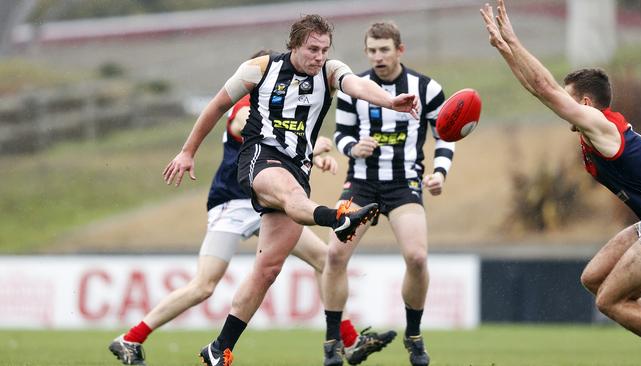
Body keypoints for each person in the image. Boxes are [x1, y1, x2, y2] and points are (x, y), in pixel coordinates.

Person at [108, 49, 396, 366]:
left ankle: (348, 340)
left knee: (324, 259)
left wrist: (312, 153)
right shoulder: (246, 107)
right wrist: (315, 147)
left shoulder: (281, 107)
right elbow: (245, 128)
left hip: (271, 202)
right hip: (232, 203)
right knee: (203, 286)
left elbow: (285, 143)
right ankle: (130, 338)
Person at [162, 14, 419, 366]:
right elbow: (219, 105)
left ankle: (218, 348)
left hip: (299, 166)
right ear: (294, 45)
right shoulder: (260, 68)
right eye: (312, 49)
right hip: (259, 158)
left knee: (267, 269)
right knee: (291, 196)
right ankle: (337, 217)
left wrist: (390, 102)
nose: (318, 56)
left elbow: (357, 86)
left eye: (324, 49)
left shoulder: (329, 71)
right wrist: (188, 151)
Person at [481, 0, 641, 342]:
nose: (560, 104)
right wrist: (504, 51)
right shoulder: (595, 130)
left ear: (585, 104)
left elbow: (545, 88)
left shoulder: (599, 124)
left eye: (567, 97)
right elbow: (536, 89)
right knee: (593, 278)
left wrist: (513, 41)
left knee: (609, 300)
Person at [322, 22, 454, 366]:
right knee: (335, 255)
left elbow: (446, 135)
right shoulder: (355, 88)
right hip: (362, 183)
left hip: (403, 185)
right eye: (372, 50)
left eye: (384, 49)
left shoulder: (426, 88)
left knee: (418, 258)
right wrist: (354, 147)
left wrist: (439, 172)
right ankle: (332, 342)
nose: (378, 56)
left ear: (400, 49)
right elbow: (341, 135)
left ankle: (414, 336)